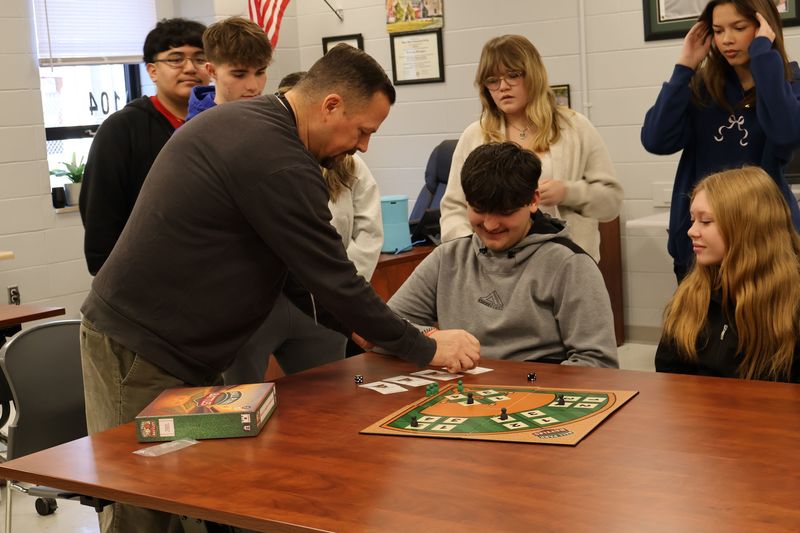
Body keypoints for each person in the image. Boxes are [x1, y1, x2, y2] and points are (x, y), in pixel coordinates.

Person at [79, 44, 480, 533]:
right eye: (363, 131)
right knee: (143, 506)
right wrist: (425, 347)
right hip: (140, 346)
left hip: (179, 348)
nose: (363, 147)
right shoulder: (277, 158)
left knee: (190, 493)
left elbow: (296, 272)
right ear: (330, 105)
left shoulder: (257, 126)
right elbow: (331, 274)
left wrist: (362, 332)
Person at [387, 142, 618, 368]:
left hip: (534, 388)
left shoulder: (570, 265)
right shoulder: (447, 258)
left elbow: (598, 364)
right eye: (479, 210)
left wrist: (521, 386)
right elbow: (385, 329)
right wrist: (432, 338)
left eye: (505, 212)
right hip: (462, 390)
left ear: (533, 200)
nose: (490, 225)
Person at [224, 72, 384, 382]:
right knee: (243, 392)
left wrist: (337, 285)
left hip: (325, 298)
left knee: (331, 388)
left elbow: (369, 230)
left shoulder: (348, 161)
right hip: (264, 299)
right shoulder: (267, 160)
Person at [641, 0, 800, 280]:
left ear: (764, 27)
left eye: (739, 27)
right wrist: (685, 66)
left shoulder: (789, 85)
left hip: (763, 244)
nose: (727, 39)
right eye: (718, 30)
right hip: (699, 248)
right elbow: (656, 139)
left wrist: (763, 55)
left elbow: (786, 133)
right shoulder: (703, 86)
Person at [440, 34, 623, 262]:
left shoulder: (575, 127)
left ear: (533, 75)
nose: (503, 87)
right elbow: (453, 209)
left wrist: (568, 193)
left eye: (513, 76)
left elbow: (611, 202)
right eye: (492, 80)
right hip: (496, 266)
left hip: (565, 262)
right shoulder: (475, 135)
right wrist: (474, 253)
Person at [79, 18, 210, 275]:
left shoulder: (219, 122)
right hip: (143, 277)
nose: (189, 68)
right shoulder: (121, 129)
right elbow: (101, 214)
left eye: (199, 58)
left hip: (208, 272)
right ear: (152, 71)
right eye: (175, 59)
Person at [655, 167, 800, 382]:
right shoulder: (692, 292)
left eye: (705, 221)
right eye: (693, 220)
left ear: (746, 227)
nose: (691, 231)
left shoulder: (792, 302)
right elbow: (668, 372)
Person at [185, 16, 273, 120]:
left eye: (260, 72)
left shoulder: (273, 117)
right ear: (212, 71)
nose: (253, 86)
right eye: (239, 75)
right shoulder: (198, 127)